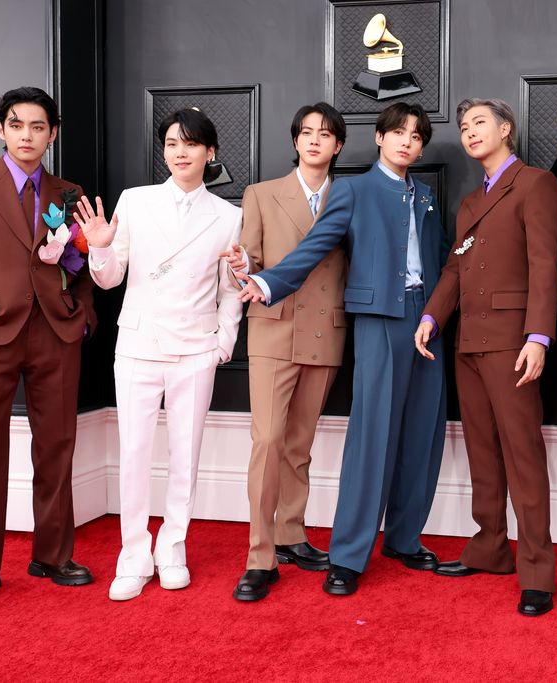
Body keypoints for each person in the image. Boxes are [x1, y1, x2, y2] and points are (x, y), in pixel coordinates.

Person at [234, 102, 447, 596]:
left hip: (427, 318)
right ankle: (349, 556)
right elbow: (315, 247)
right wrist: (268, 283)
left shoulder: (427, 196)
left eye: (416, 136)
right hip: (378, 318)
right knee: (372, 435)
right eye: (397, 133)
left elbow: (440, 260)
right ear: (377, 138)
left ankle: (403, 538)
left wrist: (440, 313)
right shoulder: (353, 190)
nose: (406, 142)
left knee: (421, 431)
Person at [0, 86, 97, 613]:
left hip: (55, 333)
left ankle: (52, 555)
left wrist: (82, 315)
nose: (27, 135)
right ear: (2, 129)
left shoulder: (69, 191)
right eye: (17, 125)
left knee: (57, 446)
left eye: (38, 127)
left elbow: (83, 259)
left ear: (52, 133)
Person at [74, 108, 242, 601]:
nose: (180, 152)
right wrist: (100, 249)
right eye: (171, 143)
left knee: (185, 456)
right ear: (164, 151)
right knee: (134, 455)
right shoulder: (135, 201)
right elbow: (108, 278)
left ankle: (173, 548)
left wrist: (222, 343)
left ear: (210, 153)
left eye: (190, 144)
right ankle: (132, 554)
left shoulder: (230, 216)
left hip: (195, 348)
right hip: (140, 346)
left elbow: (231, 288)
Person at [414, 98, 557, 616]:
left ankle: (537, 570)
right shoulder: (470, 201)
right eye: (463, 126)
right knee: (481, 450)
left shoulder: (536, 184)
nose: (470, 132)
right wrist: (432, 317)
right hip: (468, 343)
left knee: (523, 454)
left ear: (506, 129)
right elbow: (455, 271)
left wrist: (538, 337)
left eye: (480, 122)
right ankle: (490, 547)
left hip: (513, 342)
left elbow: (544, 266)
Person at [228, 103, 349, 602]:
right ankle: (260, 556)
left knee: (300, 445)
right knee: (268, 443)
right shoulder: (260, 194)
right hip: (274, 331)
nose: (315, 140)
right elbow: (248, 261)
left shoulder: (350, 197)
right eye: (306, 133)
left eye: (325, 134)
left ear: (338, 145)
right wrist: (241, 264)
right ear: (295, 141)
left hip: (325, 332)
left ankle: (292, 535)